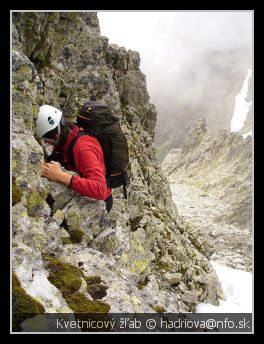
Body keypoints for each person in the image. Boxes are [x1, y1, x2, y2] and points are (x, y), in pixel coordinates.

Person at [35, 104, 113, 212]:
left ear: (54, 136)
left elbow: (100, 189)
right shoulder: (67, 134)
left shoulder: (82, 148)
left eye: (45, 140)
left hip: (100, 205)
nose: (46, 143)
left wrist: (60, 176)